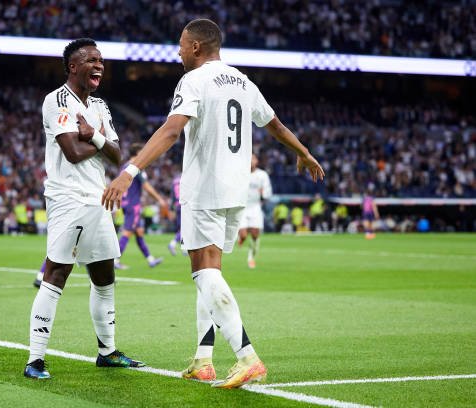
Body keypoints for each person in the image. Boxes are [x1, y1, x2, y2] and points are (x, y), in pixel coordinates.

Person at [101, 19, 324, 388]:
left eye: (181, 45)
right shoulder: (243, 80)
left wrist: (130, 171)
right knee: (210, 273)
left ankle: (246, 355)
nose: (177, 51)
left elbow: (172, 130)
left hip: (205, 188)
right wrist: (303, 152)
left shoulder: (194, 80)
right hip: (236, 192)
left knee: (202, 272)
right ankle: (203, 359)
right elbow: (275, 124)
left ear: (196, 47)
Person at [24, 38, 144, 380]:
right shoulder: (56, 100)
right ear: (73, 66)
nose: (99, 65)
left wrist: (92, 135)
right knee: (56, 275)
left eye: (101, 61)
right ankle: (35, 359)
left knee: (105, 278)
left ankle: (107, 352)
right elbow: (72, 152)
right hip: (68, 199)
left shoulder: (101, 106)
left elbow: (119, 154)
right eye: (91, 60)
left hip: (99, 199)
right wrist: (99, 141)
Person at [115, 143, 166, 269]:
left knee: (139, 232)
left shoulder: (124, 167)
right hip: (134, 205)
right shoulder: (135, 167)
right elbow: (146, 186)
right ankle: (115, 261)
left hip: (126, 203)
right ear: (138, 154)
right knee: (127, 232)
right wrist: (159, 199)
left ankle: (150, 259)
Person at [237, 154, 272, 269]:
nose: (251, 161)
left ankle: (251, 258)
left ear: (257, 161)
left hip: (255, 207)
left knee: (255, 234)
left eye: (253, 159)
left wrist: (263, 194)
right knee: (243, 234)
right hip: (242, 207)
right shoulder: (240, 173)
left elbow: (268, 192)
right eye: (249, 158)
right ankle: (241, 238)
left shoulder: (262, 175)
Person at [168, 173, 188, 256]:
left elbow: (172, 196)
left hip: (177, 206)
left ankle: (184, 248)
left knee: (183, 228)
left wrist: (171, 209)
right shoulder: (186, 178)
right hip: (185, 205)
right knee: (185, 228)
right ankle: (172, 244)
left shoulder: (175, 181)